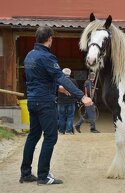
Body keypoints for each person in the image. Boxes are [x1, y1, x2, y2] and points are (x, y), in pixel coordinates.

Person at [19, 26, 93, 185]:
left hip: (32, 100)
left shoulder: (29, 56)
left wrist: (58, 88)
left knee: (33, 136)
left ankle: (25, 173)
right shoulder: (47, 57)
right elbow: (61, 77)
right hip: (45, 102)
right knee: (51, 137)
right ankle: (43, 176)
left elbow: (38, 79)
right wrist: (81, 96)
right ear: (50, 39)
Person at [57, 68, 78, 134]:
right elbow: (76, 91)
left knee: (61, 116)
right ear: (70, 73)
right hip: (71, 101)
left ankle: (61, 131)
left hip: (61, 102)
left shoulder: (59, 80)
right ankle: (68, 131)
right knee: (70, 116)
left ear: (62, 73)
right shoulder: (74, 81)